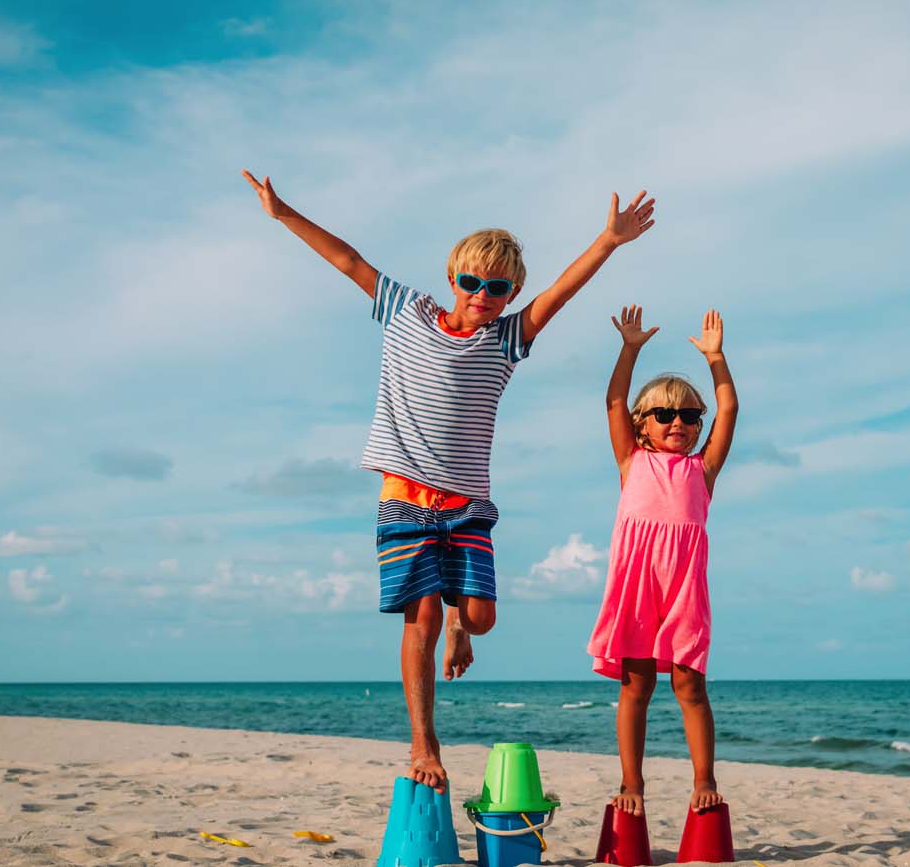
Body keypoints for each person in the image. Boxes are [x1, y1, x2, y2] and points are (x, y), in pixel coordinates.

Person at [242, 169, 655, 792]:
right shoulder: (405, 311)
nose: (481, 295)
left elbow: (561, 294)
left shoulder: (507, 338)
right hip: (405, 499)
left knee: (480, 618)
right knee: (422, 617)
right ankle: (423, 742)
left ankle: (463, 626)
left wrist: (608, 242)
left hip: (467, 506)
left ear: (511, 292)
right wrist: (283, 213)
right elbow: (348, 259)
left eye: (497, 287)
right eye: (471, 282)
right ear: (451, 277)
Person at [588, 304, 738, 816]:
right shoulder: (633, 461)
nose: (679, 422)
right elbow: (612, 401)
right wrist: (629, 350)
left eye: (690, 416)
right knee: (636, 683)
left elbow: (731, 411)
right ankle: (633, 784)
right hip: (636, 585)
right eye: (665, 414)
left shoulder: (703, 469)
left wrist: (716, 360)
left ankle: (704, 780)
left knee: (689, 683)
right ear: (642, 423)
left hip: (684, 589)